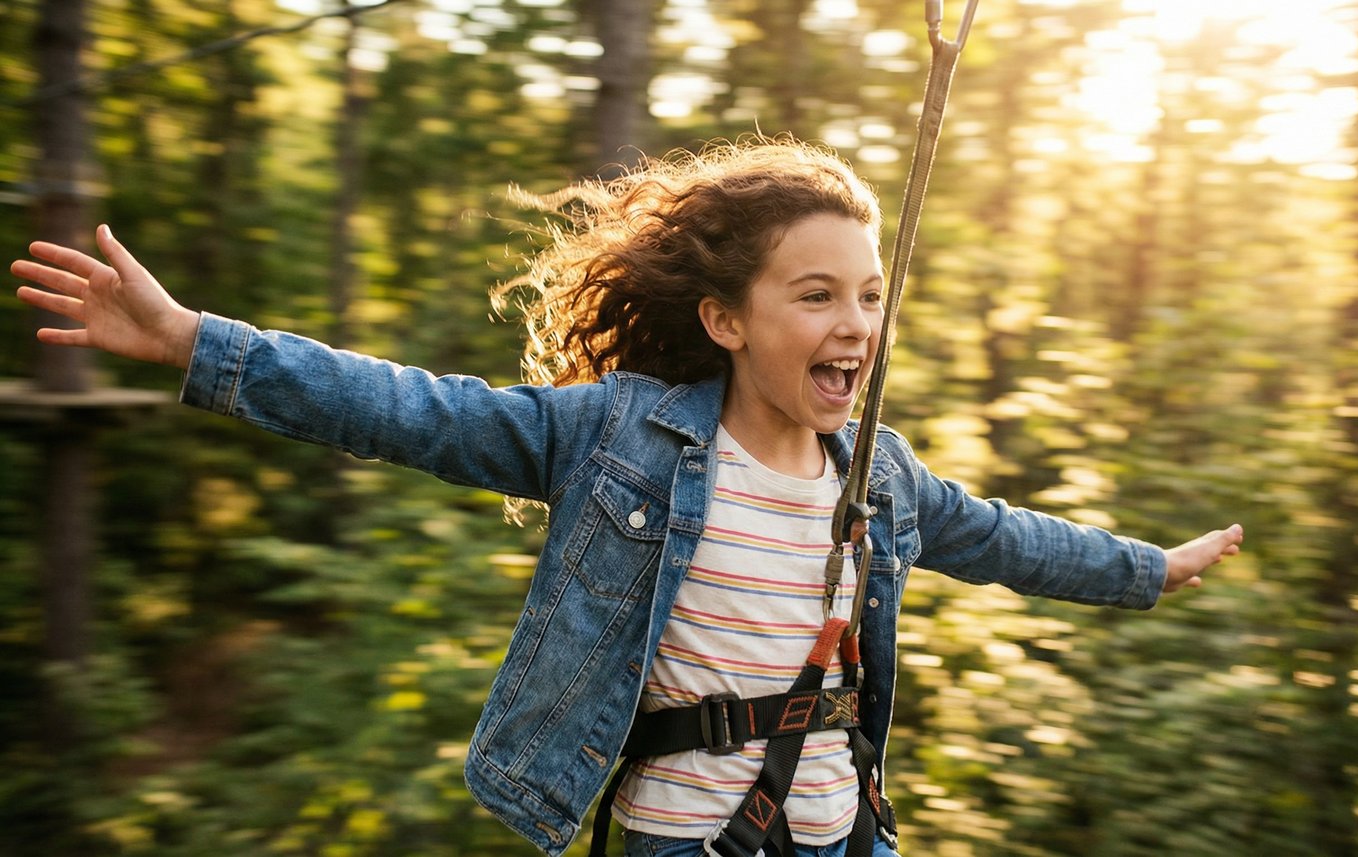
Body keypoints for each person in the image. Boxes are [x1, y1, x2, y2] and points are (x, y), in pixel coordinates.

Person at [12, 138, 1243, 857]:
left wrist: (1148, 565)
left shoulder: (881, 474)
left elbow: (1013, 539)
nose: (855, 324)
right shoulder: (621, 441)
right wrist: (194, 344)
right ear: (725, 318)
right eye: (815, 294)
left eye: (870, 295)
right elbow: (407, 407)